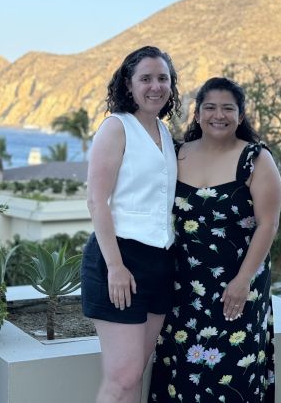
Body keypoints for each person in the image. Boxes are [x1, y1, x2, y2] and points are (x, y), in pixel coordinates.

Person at [149, 77, 281, 402]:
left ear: (240, 115)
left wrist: (242, 281)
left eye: (227, 108)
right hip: (183, 286)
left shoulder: (255, 159)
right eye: (209, 107)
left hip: (237, 287)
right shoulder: (175, 155)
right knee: (180, 372)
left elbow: (268, 224)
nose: (218, 115)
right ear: (197, 114)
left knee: (232, 372)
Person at [81, 46, 181, 403]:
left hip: (160, 262)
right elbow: (97, 201)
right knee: (122, 376)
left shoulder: (164, 132)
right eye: (146, 78)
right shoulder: (116, 127)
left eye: (163, 78)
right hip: (119, 259)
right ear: (128, 83)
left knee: (136, 373)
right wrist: (116, 267)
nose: (156, 86)